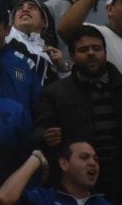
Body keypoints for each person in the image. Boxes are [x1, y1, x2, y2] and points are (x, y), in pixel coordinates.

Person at [32, 26, 122, 198]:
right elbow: (37, 132)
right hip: (76, 188)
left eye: (96, 48)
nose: (91, 53)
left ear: (105, 52)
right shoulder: (55, 93)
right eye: (83, 50)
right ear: (72, 56)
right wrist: (46, 136)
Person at [0, 142, 108, 205]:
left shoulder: (103, 204)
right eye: (84, 157)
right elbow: (4, 198)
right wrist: (35, 159)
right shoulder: (42, 199)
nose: (93, 163)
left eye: (96, 159)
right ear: (64, 164)